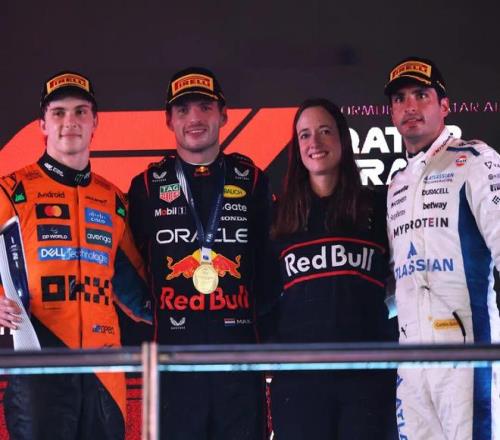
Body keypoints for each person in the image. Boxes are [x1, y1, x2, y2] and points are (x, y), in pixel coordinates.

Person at [0, 71, 152, 440]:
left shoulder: (114, 200)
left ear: (95, 122)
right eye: (59, 112)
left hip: (104, 370)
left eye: (81, 111)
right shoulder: (9, 191)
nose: (70, 121)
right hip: (38, 363)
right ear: (42, 124)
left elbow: (140, 290)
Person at [128, 66, 270, 440]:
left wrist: (243, 311)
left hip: (239, 364)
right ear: (169, 120)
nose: (194, 118)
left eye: (205, 107)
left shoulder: (251, 179)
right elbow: (125, 264)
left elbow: (271, 263)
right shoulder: (147, 186)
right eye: (183, 109)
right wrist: (156, 308)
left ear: (223, 115)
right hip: (173, 365)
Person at [385, 56, 500, 439]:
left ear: (444, 105)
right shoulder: (396, 185)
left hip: (466, 351)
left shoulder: (476, 161)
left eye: (421, 95)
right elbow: (400, 279)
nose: (410, 106)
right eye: (400, 99)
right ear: (391, 112)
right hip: (411, 360)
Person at [269, 98, 396, 439]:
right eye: (305, 135)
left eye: (325, 131)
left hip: (368, 377)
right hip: (299, 381)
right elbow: (265, 297)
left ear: (342, 138)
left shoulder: (377, 208)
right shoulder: (279, 217)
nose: (315, 142)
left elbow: (402, 282)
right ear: (297, 147)